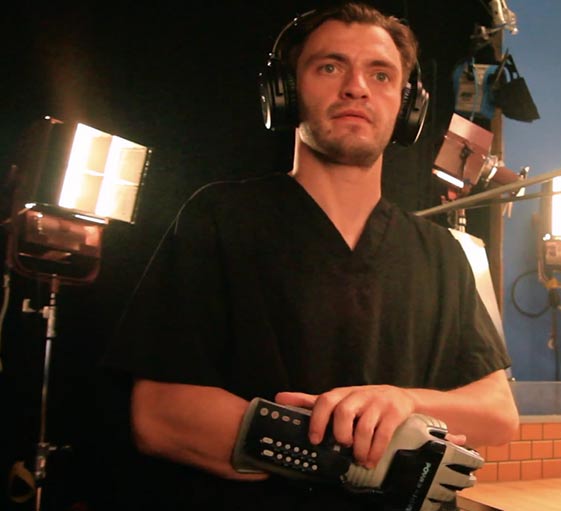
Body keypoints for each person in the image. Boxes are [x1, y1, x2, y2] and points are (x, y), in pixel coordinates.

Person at [104, 3, 519, 510]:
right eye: (329, 67)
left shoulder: (443, 253)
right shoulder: (219, 218)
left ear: (408, 106)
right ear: (284, 92)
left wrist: (403, 402)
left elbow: (498, 412)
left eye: (381, 74)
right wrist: (355, 460)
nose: (357, 87)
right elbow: (160, 416)